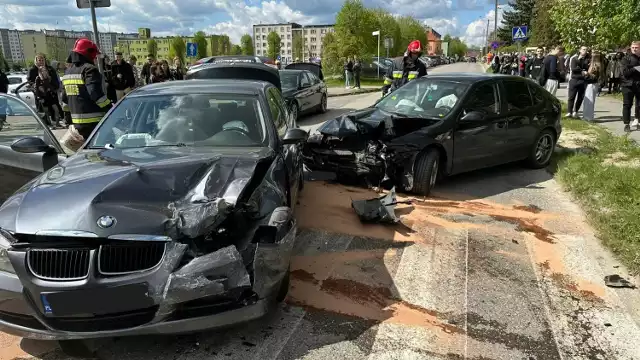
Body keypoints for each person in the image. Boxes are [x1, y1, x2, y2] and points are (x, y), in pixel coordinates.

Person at [60, 38, 113, 140]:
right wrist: (110, 108)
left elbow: (64, 99)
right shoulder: (89, 69)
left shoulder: (67, 72)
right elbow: (95, 94)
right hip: (94, 124)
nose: (94, 58)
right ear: (89, 53)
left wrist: (68, 120)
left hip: (76, 125)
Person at [28, 53, 63, 128]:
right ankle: (47, 124)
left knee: (55, 108)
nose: (41, 61)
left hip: (51, 92)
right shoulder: (33, 70)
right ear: (36, 61)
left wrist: (54, 87)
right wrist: (37, 90)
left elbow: (55, 79)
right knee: (44, 111)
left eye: (42, 60)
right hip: (41, 94)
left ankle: (56, 123)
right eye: (39, 60)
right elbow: (30, 82)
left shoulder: (50, 69)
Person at [620, 41, 640, 132]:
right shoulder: (626, 59)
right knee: (627, 104)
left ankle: (637, 120)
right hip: (627, 84)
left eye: (636, 47)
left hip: (639, 84)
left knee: (639, 105)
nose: (634, 49)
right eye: (633, 47)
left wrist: (632, 67)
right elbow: (626, 73)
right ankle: (626, 124)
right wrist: (636, 67)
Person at [566, 46, 591, 118]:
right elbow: (573, 69)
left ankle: (575, 111)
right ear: (580, 50)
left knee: (580, 97)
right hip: (574, 80)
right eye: (583, 49)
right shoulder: (575, 58)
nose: (585, 51)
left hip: (583, 81)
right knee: (571, 97)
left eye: (586, 50)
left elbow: (588, 69)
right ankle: (569, 112)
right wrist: (582, 71)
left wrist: (583, 71)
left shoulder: (588, 59)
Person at [583, 52, 606, 121]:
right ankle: (587, 116)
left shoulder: (595, 65)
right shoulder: (600, 64)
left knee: (589, 101)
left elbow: (591, 75)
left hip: (591, 84)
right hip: (594, 84)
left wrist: (586, 73)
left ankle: (588, 117)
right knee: (590, 100)